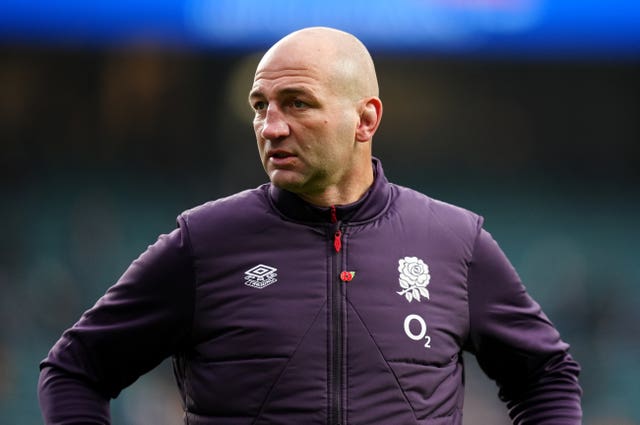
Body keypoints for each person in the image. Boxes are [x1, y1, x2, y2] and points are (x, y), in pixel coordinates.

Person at [38, 27, 582, 425]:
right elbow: (74, 371)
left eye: (297, 104)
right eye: (260, 106)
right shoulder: (203, 243)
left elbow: (547, 378)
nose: (271, 127)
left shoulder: (455, 242)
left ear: (365, 119)